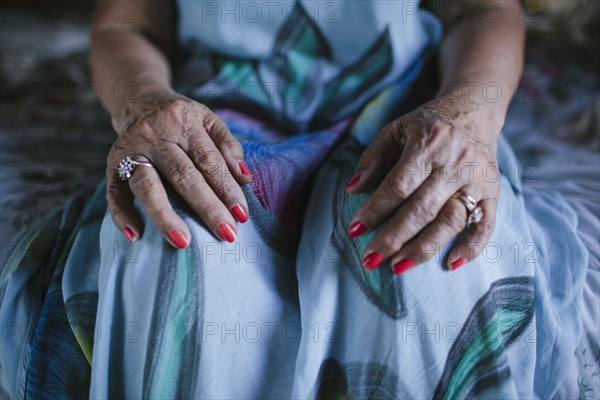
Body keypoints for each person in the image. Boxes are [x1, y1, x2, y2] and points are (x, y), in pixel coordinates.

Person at [0, 0, 588, 398]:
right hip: (212, 113)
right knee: (173, 255)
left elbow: (483, 8)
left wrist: (468, 121)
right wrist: (144, 107)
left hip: (414, 105)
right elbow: (126, 23)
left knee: (425, 270)